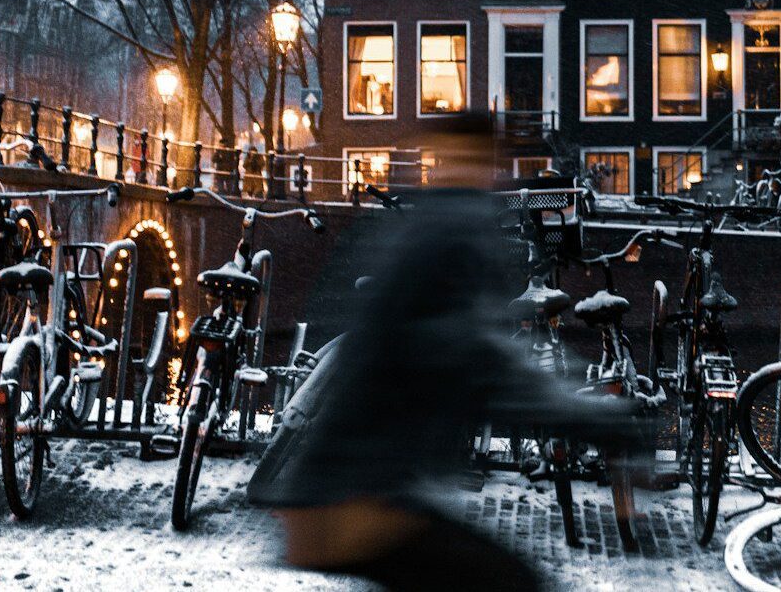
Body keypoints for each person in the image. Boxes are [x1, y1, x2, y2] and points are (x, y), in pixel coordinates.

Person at [253, 113, 632, 590]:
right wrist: (595, 418)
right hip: (356, 497)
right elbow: (478, 357)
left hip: (347, 487)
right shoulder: (455, 232)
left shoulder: (429, 224)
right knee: (513, 584)